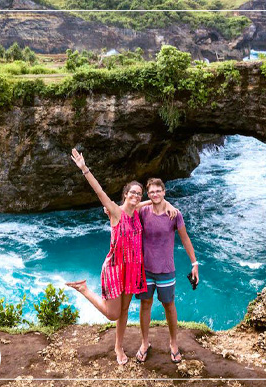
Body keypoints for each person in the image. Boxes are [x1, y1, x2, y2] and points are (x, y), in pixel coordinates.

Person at [65, 148, 176, 365]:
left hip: (133, 269)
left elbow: (152, 202)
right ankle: (84, 289)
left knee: (125, 311)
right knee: (112, 314)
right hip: (116, 268)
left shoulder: (138, 212)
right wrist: (84, 168)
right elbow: (99, 192)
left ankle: (119, 347)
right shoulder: (115, 211)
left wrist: (168, 203)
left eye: (138, 193)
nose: (136, 195)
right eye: (132, 192)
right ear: (125, 194)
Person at [133, 178, 198, 364]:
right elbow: (128, 207)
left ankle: (174, 343)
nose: (155, 194)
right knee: (145, 305)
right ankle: (145, 343)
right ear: (148, 194)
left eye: (158, 191)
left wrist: (195, 263)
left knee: (169, 306)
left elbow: (185, 239)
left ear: (164, 191)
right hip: (145, 269)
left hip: (166, 269)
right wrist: (158, 201)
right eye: (151, 192)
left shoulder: (174, 215)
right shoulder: (143, 211)